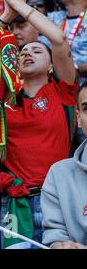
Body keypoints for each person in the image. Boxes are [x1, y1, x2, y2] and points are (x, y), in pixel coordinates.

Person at [0, 0, 77, 247]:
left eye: (36, 51)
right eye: (22, 52)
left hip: (59, 199)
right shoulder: (2, 94)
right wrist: (6, 15)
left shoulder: (63, 91)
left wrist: (18, 3)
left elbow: (59, 39)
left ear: (52, 67)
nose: (26, 53)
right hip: (15, 204)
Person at [40, 82, 87, 249]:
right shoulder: (58, 174)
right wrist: (60, 245)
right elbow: (54, 235)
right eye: (86, 109)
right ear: (79, 118)